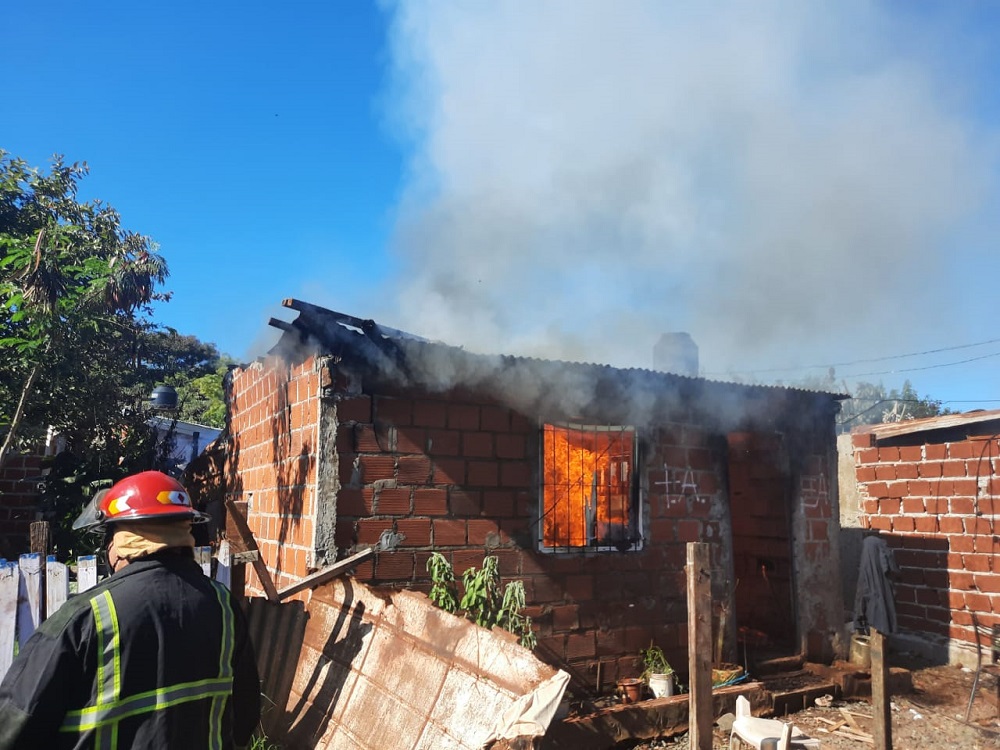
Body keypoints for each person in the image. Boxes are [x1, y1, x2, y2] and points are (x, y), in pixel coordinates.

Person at [0, 470, 260, 749]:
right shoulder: (223, 605)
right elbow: (244, 716)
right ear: (183, 534)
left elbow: (15, 727)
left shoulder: (85, 617)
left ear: (121, 542)